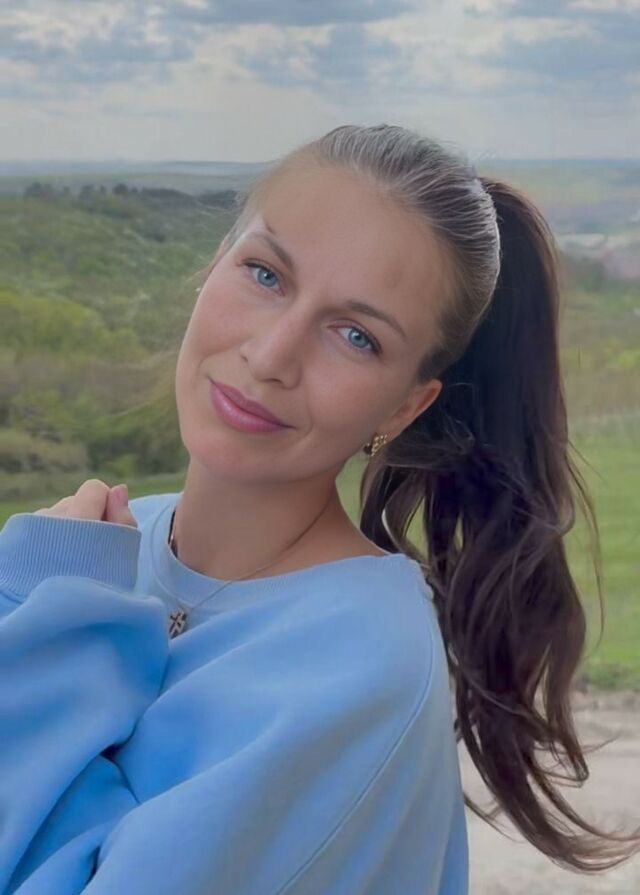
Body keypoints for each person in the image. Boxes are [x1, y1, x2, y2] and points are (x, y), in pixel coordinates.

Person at [0, 123, 638, 894]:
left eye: (356, 336)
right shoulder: (105, 544)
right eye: (265, 274)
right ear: (213, 265)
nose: (271, 355)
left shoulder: (360, 670)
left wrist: (54, 628)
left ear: (405, 406)